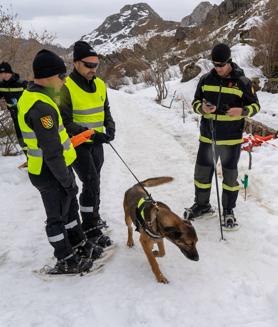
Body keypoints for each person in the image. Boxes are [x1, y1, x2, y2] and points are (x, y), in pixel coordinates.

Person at [17, 49, 103, 274]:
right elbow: (52, 152)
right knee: (56, 217)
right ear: (46, 76)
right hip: (48, 172)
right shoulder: (40, 107)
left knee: (71, 211)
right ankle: (65, 258)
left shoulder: (41, 97)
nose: (64, 80)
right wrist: (67, 181)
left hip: (57, 169)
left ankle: (78, 244)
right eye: (61, 76)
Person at [184, 43, 260, 229]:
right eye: (214, 64)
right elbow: (195, 102)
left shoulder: (242, 82)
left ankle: (228, 210)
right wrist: (201, 108)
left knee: (229, 178)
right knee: (201, 175)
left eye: (221, 65)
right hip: (208, 138)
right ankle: (202, 205)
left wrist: (241, 111)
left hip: (231, 140)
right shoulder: (205, 80)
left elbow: (255, 107)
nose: (217, 68)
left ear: (229, 62)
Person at [60, 41, 115, 247]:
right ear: (76, 63)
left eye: (96, 65)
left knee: (96, 182)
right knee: (90, 183)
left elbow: (106, 109)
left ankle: (94, 218)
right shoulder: (66, 86)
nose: (93, 69)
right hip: (77, 144)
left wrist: (110, 128)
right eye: (88, 65)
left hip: (96, 143)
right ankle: (91, 228)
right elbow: (65, 122)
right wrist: (91, 134)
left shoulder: (100, 84)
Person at [0, 62, 28, 153]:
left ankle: (40, 160)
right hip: (15, 116)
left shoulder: (22, 84)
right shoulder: (1, 86)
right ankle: (28, 158)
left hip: (27, 116)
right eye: (1, 74)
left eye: (5, 73)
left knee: (31, 139)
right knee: (21, 141)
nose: (3, 76)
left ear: (10, 72)